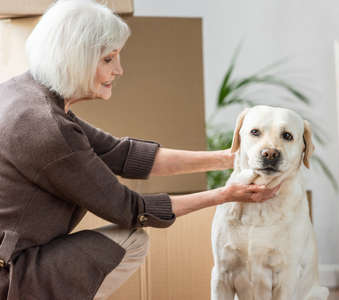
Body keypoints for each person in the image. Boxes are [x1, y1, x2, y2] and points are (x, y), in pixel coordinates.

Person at [0, 1, 280, 299]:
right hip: (10, 274)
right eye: (109, 59)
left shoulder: (23, 94)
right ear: (75, 59)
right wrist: (225, 194)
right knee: (131, 238)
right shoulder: (47, 129)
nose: (119, 70)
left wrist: (229, 159)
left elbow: (124, 155)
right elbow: (131, 210)